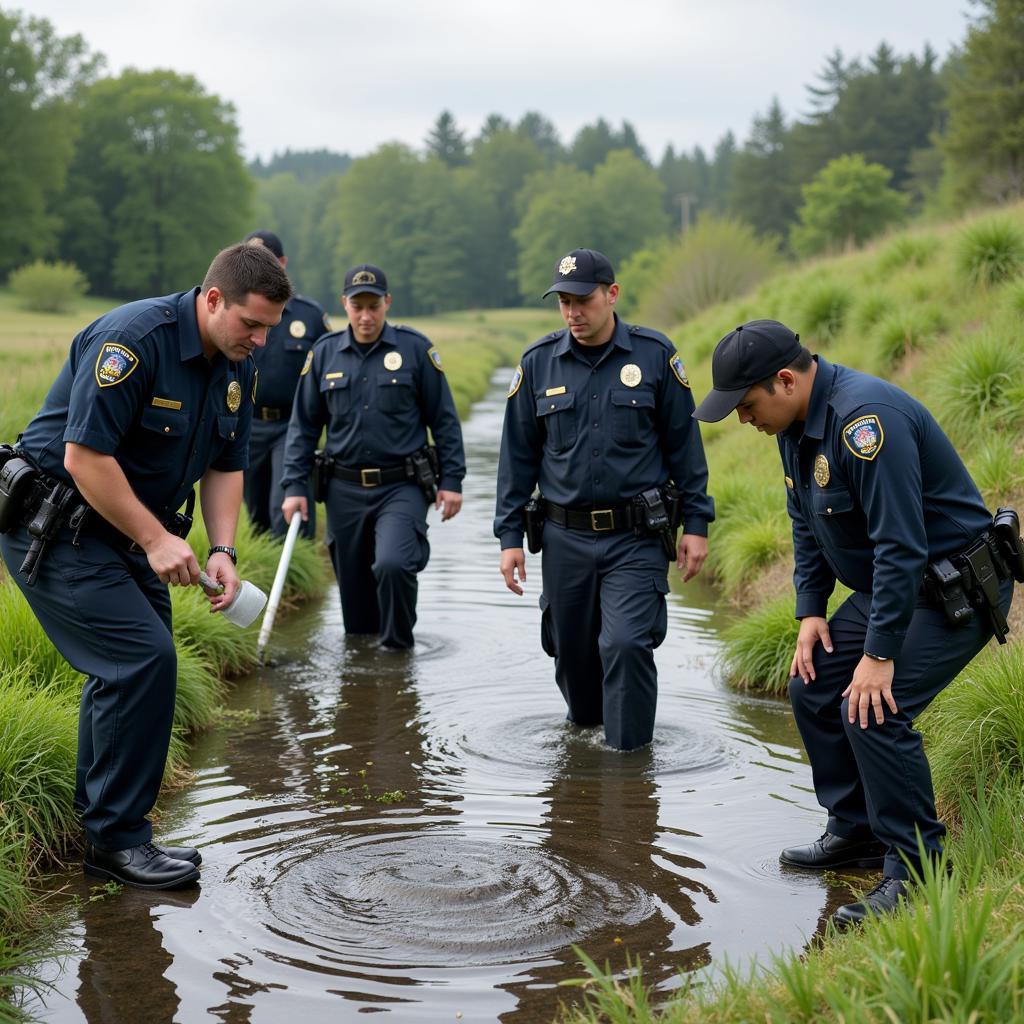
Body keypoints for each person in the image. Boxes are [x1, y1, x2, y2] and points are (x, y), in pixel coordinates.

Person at [693, 319, 1018, 926]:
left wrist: (879, 653)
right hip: (896, 588)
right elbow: (806, 523)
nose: (743, 419)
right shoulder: (793, 426)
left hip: (955, 590)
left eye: (745, 405)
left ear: (785, 380)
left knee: (875, 706)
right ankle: (858, 830)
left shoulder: (866, 423)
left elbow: (900, 543)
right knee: (813, 684)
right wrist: (811, 610)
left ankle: (917, 869)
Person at [0, 243, 292, 889]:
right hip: (54, 528)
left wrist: (222, 549)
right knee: (140, 660)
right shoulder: (133, 341)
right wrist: (159, 539)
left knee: (142, 668)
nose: (261, 339)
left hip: (126, 537)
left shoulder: (239, 365)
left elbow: (226, 463)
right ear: (213, 299)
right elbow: (85, 458)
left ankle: (110, 829)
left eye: (270, 327)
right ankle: (117, 844)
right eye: (251, 323)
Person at [494, 248, 714, 751]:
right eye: (564, 302)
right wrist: (509, 537)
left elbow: (685, 448)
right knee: (572, 655)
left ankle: (630, 770)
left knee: (626, 643)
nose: (573, 312)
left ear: (611, 295)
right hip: (563, 538)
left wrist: (697, 523)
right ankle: (587, 753)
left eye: (583, 300)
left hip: (635, 538)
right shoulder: (537, 364)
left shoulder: (656, 356)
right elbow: (517, 460)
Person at [281, 263, 465, 650]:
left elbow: (444, 420)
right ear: (344, 304)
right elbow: (303, 427)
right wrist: (295, 485)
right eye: (357, 306)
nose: (366, 316)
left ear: (387, 303)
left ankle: (398, 652)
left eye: (374, 306)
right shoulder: (324, 354)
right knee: (355, 597)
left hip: (402, 486)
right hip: (343, 490)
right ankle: (364, 670)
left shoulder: (415, 350)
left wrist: (452, 481)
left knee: (393, 565)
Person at [241, 230, 331, 539]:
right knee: (255, 515)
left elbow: (329, 371)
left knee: (286, 509)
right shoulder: (235, 314)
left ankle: (294, 573)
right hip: (248, 424)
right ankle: (264, 578)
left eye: (267, 262)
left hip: (291, 425)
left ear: (282, 263)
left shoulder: (309, 316)